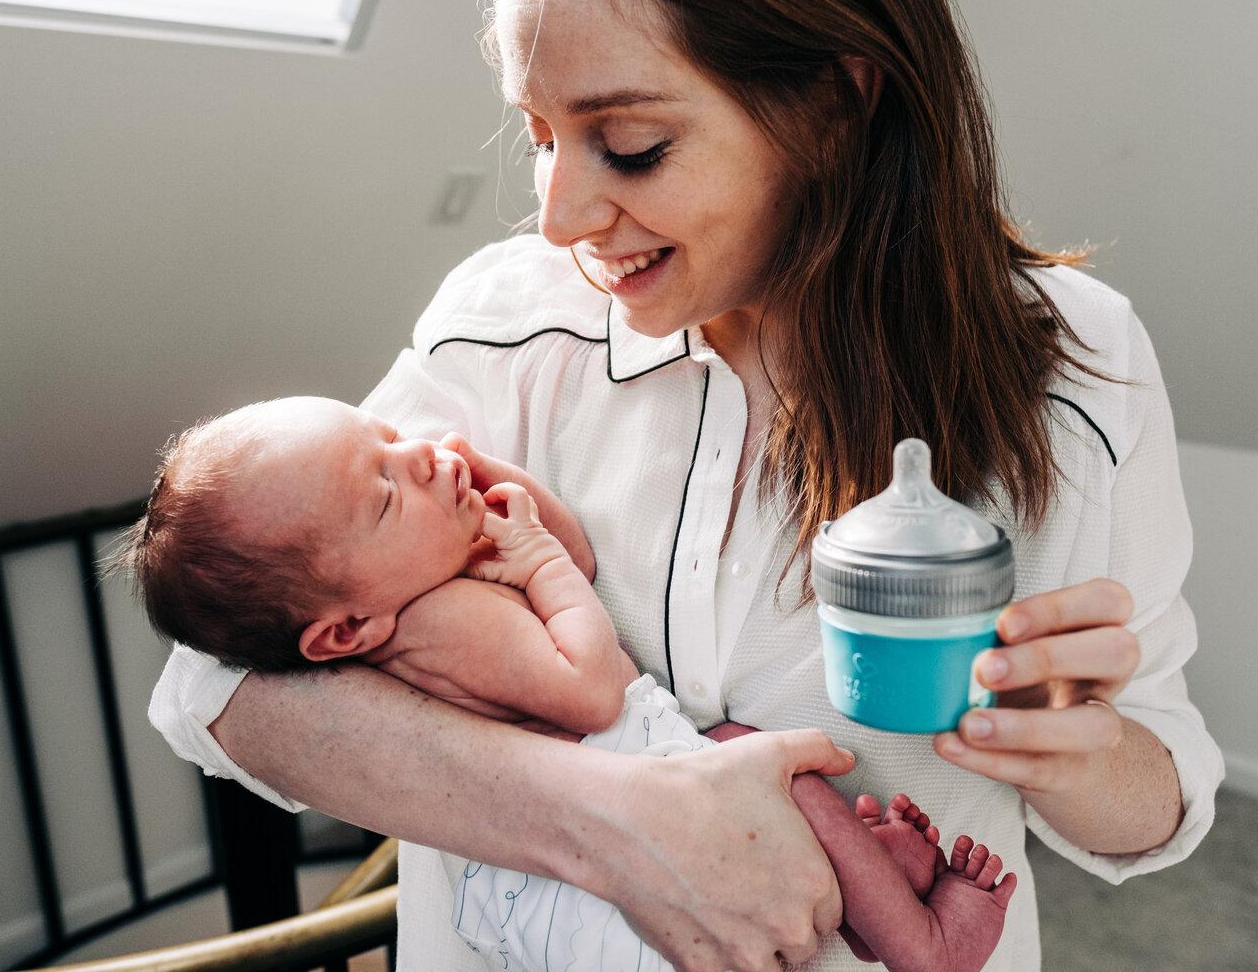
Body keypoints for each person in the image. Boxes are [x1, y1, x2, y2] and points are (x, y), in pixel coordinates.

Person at [148, 0, 1225, 969]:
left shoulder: (1076, 362)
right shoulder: (503, 321)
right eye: (539, 135)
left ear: (838, 102)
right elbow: (222, 676)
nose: (560, 216)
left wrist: (1082, 751)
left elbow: (1164, 793)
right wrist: (618, 823)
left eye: (628, 144)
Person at [126, 394, 1016, 972]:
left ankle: (862, 898)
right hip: (598, 872)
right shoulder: (445, 621)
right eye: (388, 493)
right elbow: (589, 685)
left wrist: (496, 499)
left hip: (546, 889)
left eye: (391, 441)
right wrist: (542, 561)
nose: (427, 457)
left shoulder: (405, 598)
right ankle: (921, 942)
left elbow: (575, 558)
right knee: (750, 756)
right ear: (344, 630)